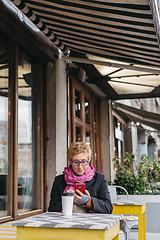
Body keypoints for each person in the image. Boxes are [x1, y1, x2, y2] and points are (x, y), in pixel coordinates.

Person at [48, 142, 113, 214]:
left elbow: (108, 208)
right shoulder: (59, 180)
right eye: (76, 162)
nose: (80, 166)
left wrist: (87, 200)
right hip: (65, 223)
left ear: (89, 160)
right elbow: (52, 209)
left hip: (91, 223)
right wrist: (68, 199)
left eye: (84, 161)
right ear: (70, 161)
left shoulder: (99, 179)